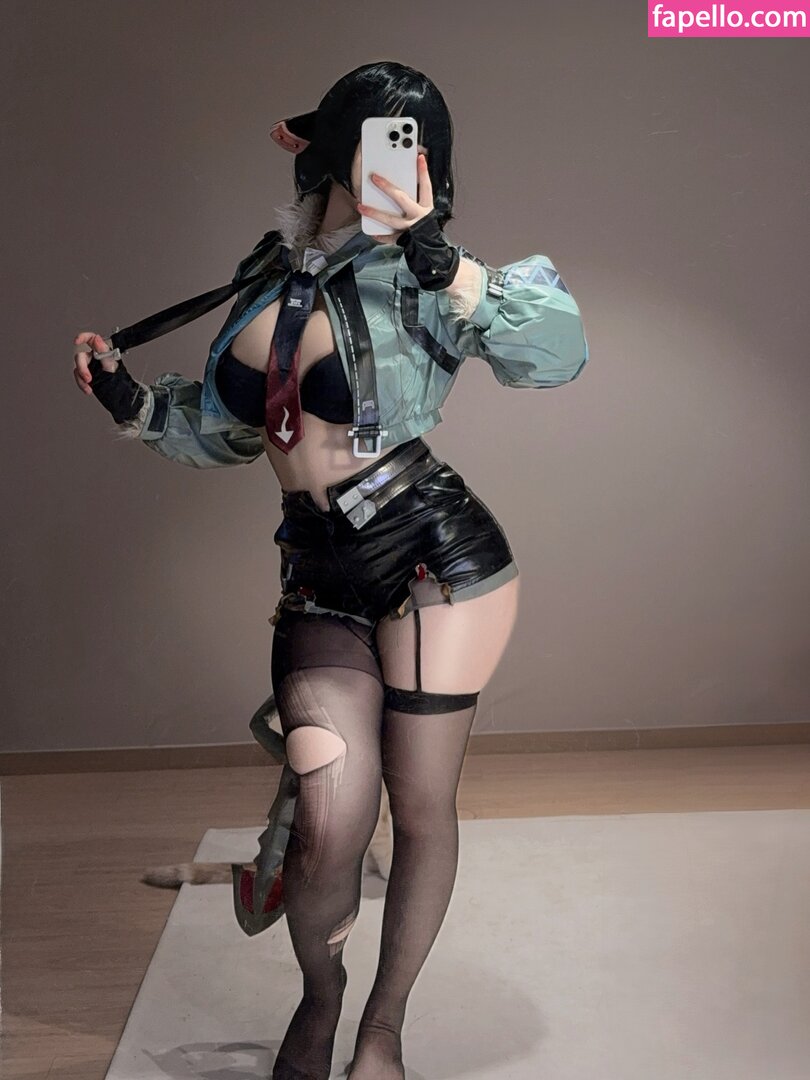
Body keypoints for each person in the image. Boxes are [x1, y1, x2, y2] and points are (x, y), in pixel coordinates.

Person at [73, 60, 588, 1080]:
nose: (381, 163)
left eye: (403, 145)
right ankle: (322, 994)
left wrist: (438, 255)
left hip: (437, 557)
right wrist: (133, 405)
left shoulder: (432, 278)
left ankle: (381, 1029)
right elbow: (234, 432)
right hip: (318, 565)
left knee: (421, 804)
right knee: (328, 817)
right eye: (368, 142)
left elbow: (556, 353)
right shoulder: (272, 273)